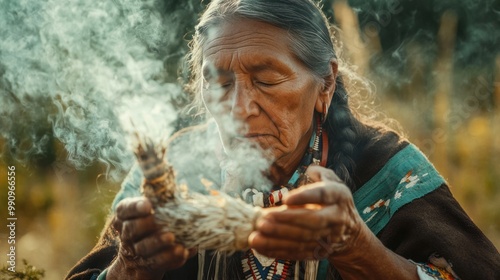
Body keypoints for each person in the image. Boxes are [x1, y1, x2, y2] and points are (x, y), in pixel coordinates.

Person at [65, 0, 500, 279]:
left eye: (266, 80)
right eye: (218, 85)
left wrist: (358, 249)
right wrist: (129, 267)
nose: (238, 108)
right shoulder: (175, 170)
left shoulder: (385, 170)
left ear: (325, 83)